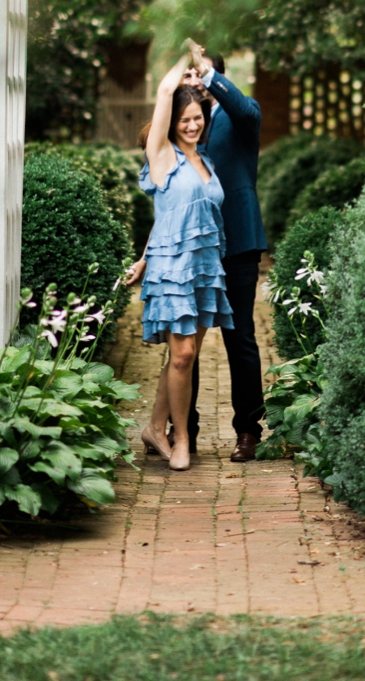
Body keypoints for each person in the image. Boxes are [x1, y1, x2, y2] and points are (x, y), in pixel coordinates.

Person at [128, 40, 267, 462]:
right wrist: (149, 255)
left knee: (239, 337)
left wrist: (205, 71)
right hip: (189, 253)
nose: (193, 81)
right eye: (187, 75)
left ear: (214, 76)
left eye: (199, 75)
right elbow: (171, 205)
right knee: (185, 345)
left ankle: (248, 430)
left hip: (236, 241)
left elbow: (242, 107)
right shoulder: (182, 130)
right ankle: (179, 428)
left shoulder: (239, 116)